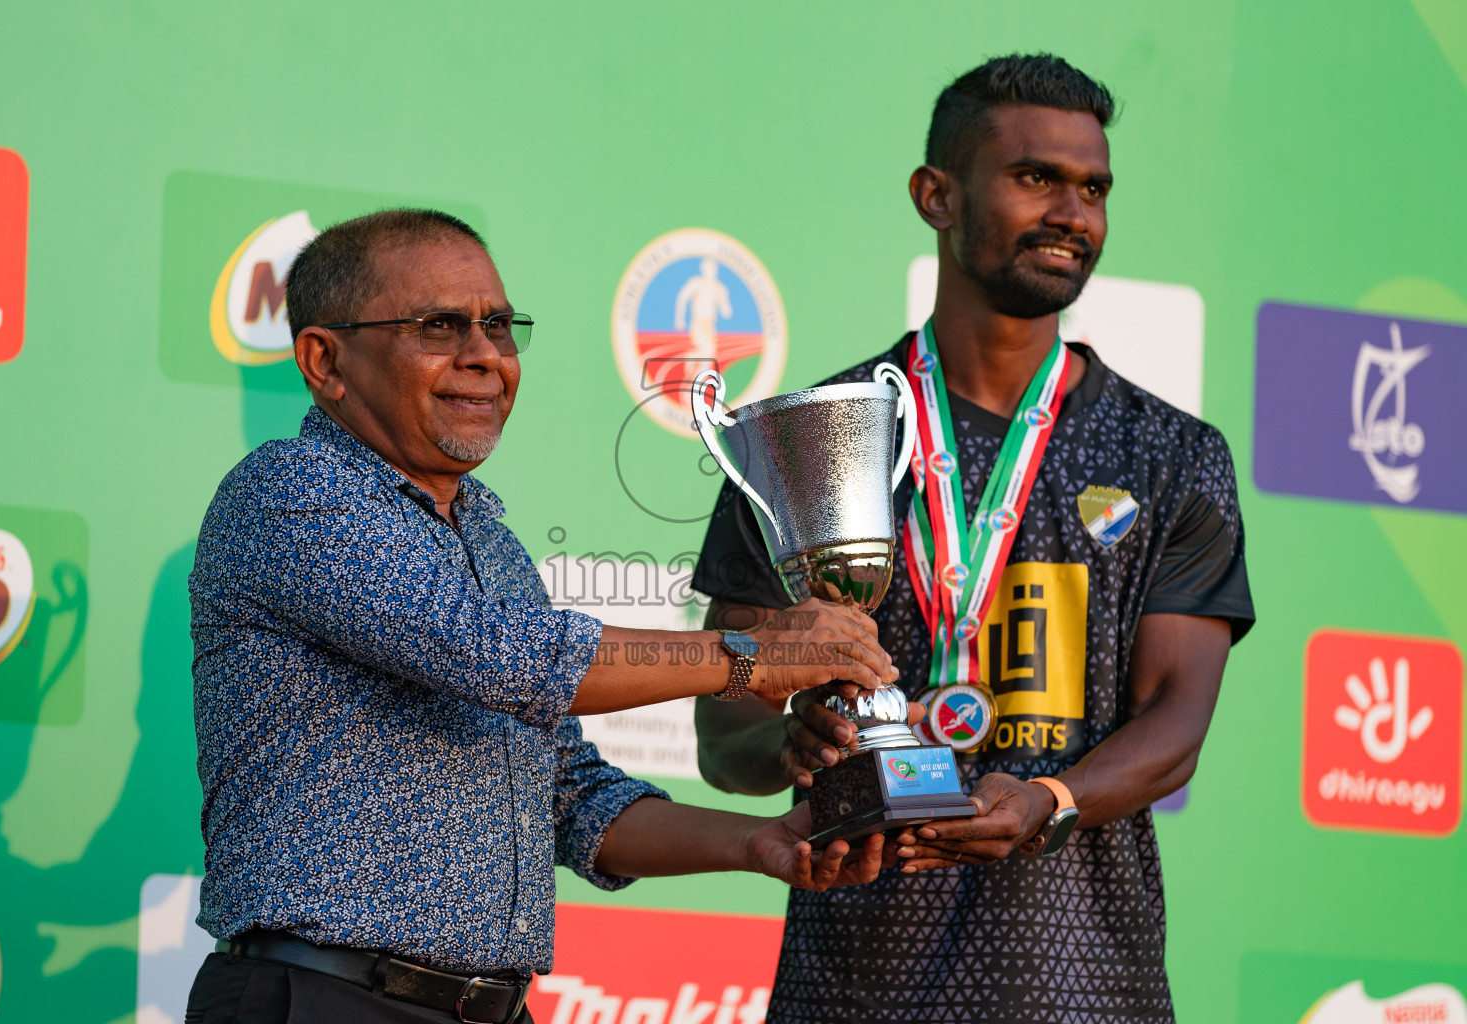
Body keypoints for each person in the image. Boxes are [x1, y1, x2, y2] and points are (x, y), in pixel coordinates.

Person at [184, 209, 903, 1024]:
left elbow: (572, 797)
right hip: (319, 1000)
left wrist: (757, 843)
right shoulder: (289, 490)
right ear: (325, 360)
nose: (485, 355)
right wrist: (756, 655)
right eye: (439, 326)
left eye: (498, 326)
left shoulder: (490, 541)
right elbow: (499, 657)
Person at [693, 54, 1254, 1022]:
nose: (1072, 213)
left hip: (1083, 988)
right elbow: (721, 735)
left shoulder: (1172, 455)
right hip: (852, 987)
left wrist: (1051, 798)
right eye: (1036, 178)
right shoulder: (810, 443)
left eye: (1093, 188)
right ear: (936, 196)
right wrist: (787, 738)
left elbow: (1175, 724)